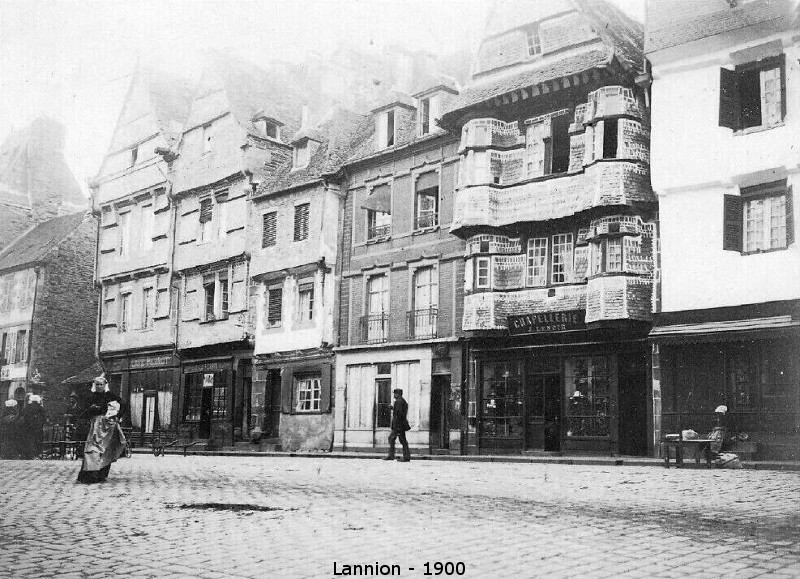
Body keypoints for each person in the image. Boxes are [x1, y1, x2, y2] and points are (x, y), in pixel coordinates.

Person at [77, 375, 128, 484]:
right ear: (94, 386)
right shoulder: (90, 396)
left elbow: (123, 404)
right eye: (97, 384)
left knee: (106, 449)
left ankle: (102, 474)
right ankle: (90, 475)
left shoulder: (110, 396)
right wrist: (91, 410)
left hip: (108, 425)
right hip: (95, 426)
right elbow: (83, 411)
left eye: (101, 384)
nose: (99, 386)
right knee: (93, 449)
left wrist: (118, 416)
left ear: (105, 385)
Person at [383, 389, 411, 462]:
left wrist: (397, 427)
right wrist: (393, 408)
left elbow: (399, 415)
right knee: (395, 439)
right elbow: (399, 412)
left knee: (397, 439)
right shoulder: (402, 401)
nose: (394, 395)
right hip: (400, 424)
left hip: (398, 425)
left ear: (398, 394)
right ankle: (400, 456)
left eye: (395, 394)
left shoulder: (398, 402)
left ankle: (401, 457)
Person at [23, 395, 47, 459]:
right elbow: (44, 418)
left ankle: (29, 454)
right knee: (38, 440)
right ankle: (37, 454)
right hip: (38, 428)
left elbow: (24, 416)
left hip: (29, 427)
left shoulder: (27, 407)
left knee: (29, 440)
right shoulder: (40, 407)